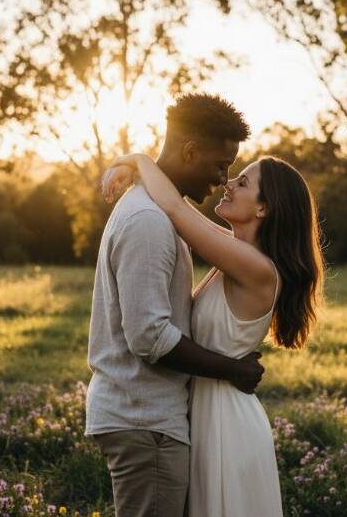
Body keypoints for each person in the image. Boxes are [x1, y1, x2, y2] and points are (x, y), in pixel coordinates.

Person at [103, 149, 325, 517]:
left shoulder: (256, 268)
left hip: (226, 420)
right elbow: (179, 210)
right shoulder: (235, 255)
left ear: (263, 209)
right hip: (206, 408)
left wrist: (140, 160)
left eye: (243, 182)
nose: (228, 183)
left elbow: (175, 210)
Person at [85, 93, 266, 517]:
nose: (224, 178)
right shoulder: (148, 221)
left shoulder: (164, 212)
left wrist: (137, 161)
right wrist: (234, 369)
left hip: (152, 418)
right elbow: (149, 337)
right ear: (190, 151)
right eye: (221, 165)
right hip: (143, 420)